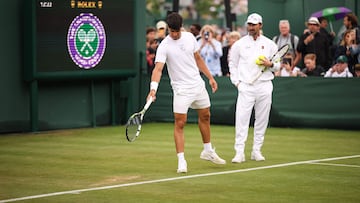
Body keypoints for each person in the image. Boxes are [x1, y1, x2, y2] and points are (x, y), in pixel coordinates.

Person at [147, 12, 226, 173]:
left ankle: (208, 151)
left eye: (176, 30)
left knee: (205, 115)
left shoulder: (190, 38)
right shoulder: (164, 46)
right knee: (180, 123)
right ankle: (181, 160)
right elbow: (158, 69)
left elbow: (198, 59)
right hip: (181, 89)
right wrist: (153, 89)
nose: (174, 34)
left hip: (198, 84)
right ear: (168, 29)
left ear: (181, 27)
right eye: (171, 31)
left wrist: (210, 77)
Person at [228, 13, 280, 163]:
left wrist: (270, 65)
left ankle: (256, 150)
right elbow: (233, 64)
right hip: (246, 87)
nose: (251, 27)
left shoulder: (270, 44)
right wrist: (237, 82)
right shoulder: (239, 44)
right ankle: (239, 152)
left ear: (260, 25)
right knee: (241, 119)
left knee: (262, 120)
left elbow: (277, 65)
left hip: (265, 85)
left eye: (254, 24)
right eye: (249, 24)